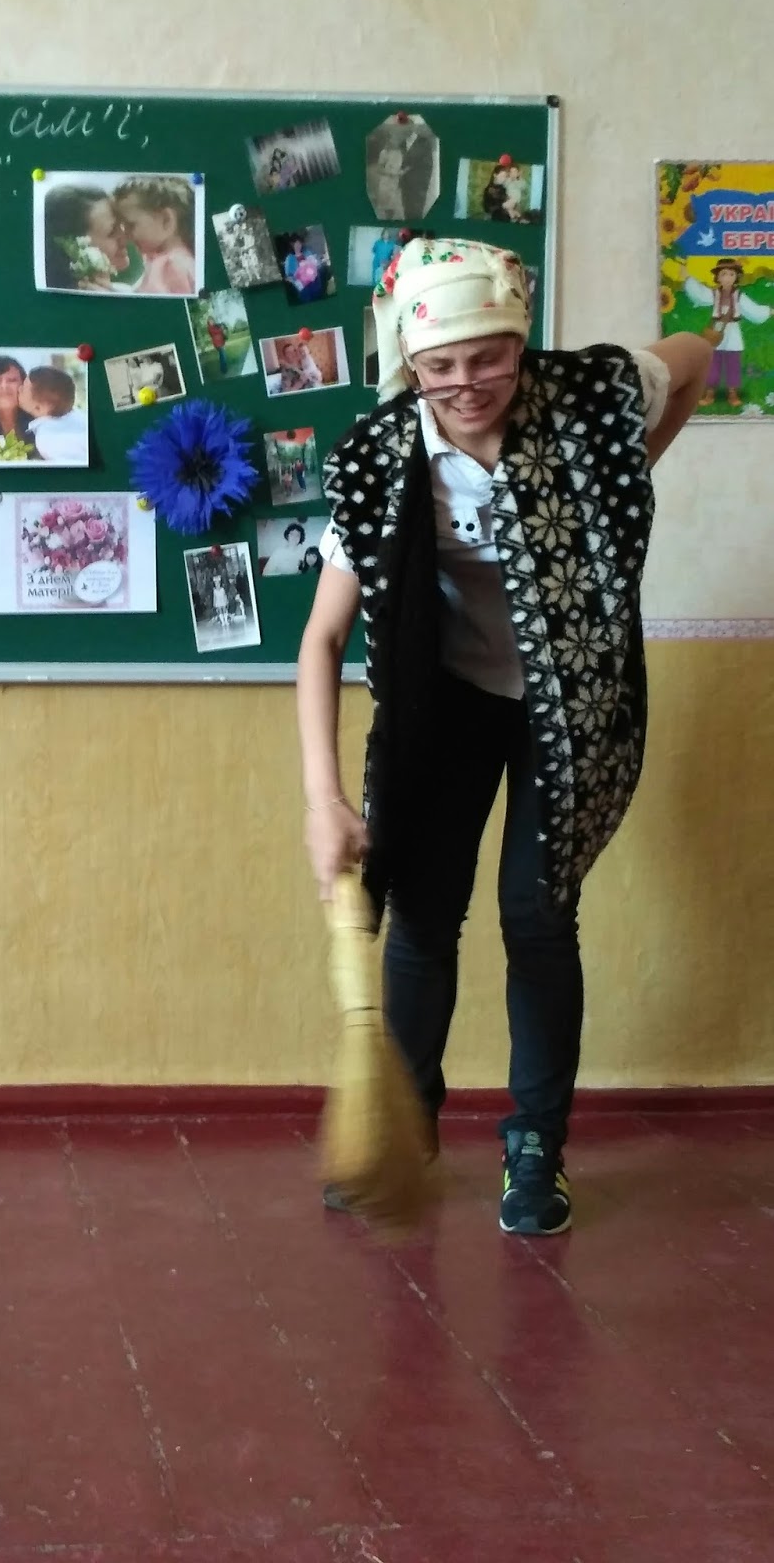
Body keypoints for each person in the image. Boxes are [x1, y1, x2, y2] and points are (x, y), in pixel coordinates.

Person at [296, 235, 712, 1236]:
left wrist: (622, 479)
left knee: (536, 915)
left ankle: (535, 1148)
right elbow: (321, 638)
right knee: (422, 918)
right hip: (444, 707)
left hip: (569, 706)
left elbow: (699, 353)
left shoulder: (588, 402)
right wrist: (324, 800)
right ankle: (404, 1126)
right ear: (409, 363)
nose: (465, 383)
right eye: (439, 365)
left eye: (488, 356)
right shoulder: (376, 459)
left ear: (521, 340)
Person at [682, 257, 773, 409]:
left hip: (733, 331)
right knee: (713, 362)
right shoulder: (713, 294)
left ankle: (733, 394)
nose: (728, 278)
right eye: (724, 274)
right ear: (718, 277)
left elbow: (752, 309)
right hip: (716, 330)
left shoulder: (739, 296)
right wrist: (688, 279)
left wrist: (768, 311)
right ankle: (710, 394)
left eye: (731, 274)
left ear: (736, 277)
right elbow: (699, 294)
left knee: (733, 363)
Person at [113, 175, 198, 295]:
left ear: (166, 220)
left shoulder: (171, 265)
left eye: (131, 225)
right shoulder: (164, 261)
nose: (125, 236)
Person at [42, 184, 133, 291]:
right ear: (74, 248)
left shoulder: (125, 291)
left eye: (121, 225)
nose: (126, 238)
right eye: (112, 231)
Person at [18, 366, 88, 463]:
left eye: (23, 389)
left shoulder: (48, 439)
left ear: (39, 408)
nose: (19, 389)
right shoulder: (79, 416)